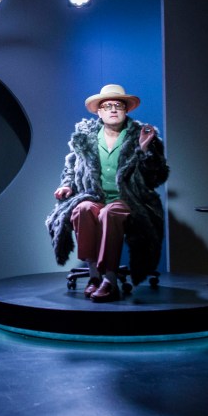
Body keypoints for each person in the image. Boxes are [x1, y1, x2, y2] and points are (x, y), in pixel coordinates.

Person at [45, 83, 169, 302]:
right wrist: (67, 185)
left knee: (108, 213)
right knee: (83, 209)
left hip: (128, 199)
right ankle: (94, 275)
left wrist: (144, 150)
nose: (113, 110)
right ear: (99, 112)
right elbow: (71, 168)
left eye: (118, 106)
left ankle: (110, 280)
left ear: (126, 110)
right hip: (94, 196)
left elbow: (156, 177)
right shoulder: (85, 138)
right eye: (107, 106)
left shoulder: (141, 136)